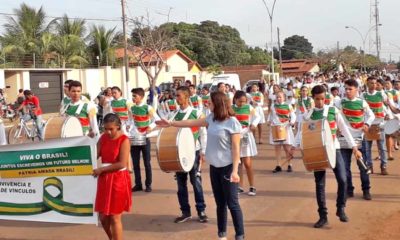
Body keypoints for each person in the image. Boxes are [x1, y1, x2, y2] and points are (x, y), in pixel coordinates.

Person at [157, 91, 245, 240]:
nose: (207, 104)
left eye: (209, 102)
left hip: (229, 167)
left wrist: (235, 171)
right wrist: (171, 123)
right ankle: (221, 234)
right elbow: (191, 123)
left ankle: (240, 235)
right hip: (214, 168)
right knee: (220, 203)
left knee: (232, 203)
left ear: (217, 103)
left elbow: (236, 149)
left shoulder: (232, 122)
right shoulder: (211, 119)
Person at [305, 85, 361, 228]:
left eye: (323, 99)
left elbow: (344, 129)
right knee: (320, 184)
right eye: (317, 99)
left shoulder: (333, 110)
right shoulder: (308, 115)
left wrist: (354, 147)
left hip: (335, 149)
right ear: (313, 98)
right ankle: (323, 216)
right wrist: (295, 147)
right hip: (317, 153)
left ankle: (340, 208)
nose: (320, 102)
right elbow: (303, 134)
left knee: (343, 179)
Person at [169, 86, 208, 223]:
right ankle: (185, 212)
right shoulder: (173, 115)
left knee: (196, 182)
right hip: (180, 154)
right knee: (181, 184)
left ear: (186, 97)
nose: (176, 98)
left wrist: (203, 151)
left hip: (194, 151)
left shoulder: (197, 113)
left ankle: (201, 210)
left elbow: (203, 133)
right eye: (176, 95)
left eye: (179, 95)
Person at [93, 113, 132, 240]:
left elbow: (121, 163)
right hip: (104, 179)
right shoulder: (103, 138)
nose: (108, 132)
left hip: (118, 180)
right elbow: (94, 155)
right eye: (106, 129)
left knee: (115, 217)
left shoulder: (124, 140)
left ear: (118, 127)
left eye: (111, 129)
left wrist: (101, 169)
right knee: (103, 217)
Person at [335, 79, 375, 200]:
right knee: (345, 167)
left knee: (363, 166)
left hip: (359, 138)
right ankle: (349, 190)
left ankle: (366, 190)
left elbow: (371, 115)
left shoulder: (362, 102)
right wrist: (336, 127)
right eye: (346, 88)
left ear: (356, 90)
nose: (347, 91)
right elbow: (333, 116)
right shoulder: (339, 103)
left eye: (350, 89)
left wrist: (367, 124)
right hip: (344, 139)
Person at [129, 88, 160, 192]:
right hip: (134, 138)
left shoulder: (148, 108)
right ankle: (138, 184)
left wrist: (150, 126)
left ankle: (148, 184)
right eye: (132, 96)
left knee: (147, 163)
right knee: (136, 163)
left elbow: (157, 120)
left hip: (145, 138)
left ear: (141, 97)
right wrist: (129, 127)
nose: (133, 98)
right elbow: (130, 121)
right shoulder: (131, 108)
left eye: (135, 96)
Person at [233, 90, 260, 196]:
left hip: (246, 136)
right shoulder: (231, 108)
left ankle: (252, 186)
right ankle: (240, 186)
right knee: (238, 163)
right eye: (240, 101)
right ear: (235, 99)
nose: (242, 104)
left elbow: (257, 116)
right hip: (235, 137)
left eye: (244, 101)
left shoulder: (249, 107)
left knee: (248, 163)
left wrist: (253, 124)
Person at [361, 77, 389, 175]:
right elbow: (361, 110)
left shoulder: (381, 94)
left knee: (382, 147)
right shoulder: (363, 95)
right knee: (367, 148)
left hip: (379, 124)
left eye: (375, 83)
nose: (373, 85)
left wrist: (387, 114)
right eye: (371, 83)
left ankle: (383, 166)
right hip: (368, 125)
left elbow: (387, 104)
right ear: (367, 84)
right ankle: (370, 166)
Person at [267, 91, 296, 173]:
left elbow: (293, 115)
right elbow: (271, 115)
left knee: (287, 148)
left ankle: (289, 164)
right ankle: (278, 165)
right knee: (277, 148)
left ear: (284, 98)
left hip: (285, 127)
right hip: (276, 127)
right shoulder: (273, 106)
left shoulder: (288, 105)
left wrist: (292, 122)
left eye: (280, 97)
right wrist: (269, 121)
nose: (278, 98)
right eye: (277, 97)